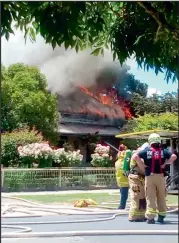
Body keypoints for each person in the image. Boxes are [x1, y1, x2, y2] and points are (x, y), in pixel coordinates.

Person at [133, 133, 177, 224]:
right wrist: (165, 163)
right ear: (159, 141)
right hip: (161, 177)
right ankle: (161, 216)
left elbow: (135, 156)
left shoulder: (146, 151)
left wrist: (143, 166)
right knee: (161, 196)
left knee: (150, 197)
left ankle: (151, 218)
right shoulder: (164, 151)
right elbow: (174, 156)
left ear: (150, 141)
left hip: (150, 177)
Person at [128, 143, 149, 222]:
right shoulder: (137, 155)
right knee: (136, 196)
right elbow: (143, 168)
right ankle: (133, 216)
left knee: (143, 197)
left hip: (140, 179)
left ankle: (142, 215)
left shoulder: (141, 155)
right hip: (135, 179)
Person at [115, 144, 132, 209]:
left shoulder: (117, 162)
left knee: (122, 193)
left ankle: (121, 205)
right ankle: (122, 206)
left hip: (119, 180)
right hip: (125, 180)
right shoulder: (124, 162)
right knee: (124, 195)